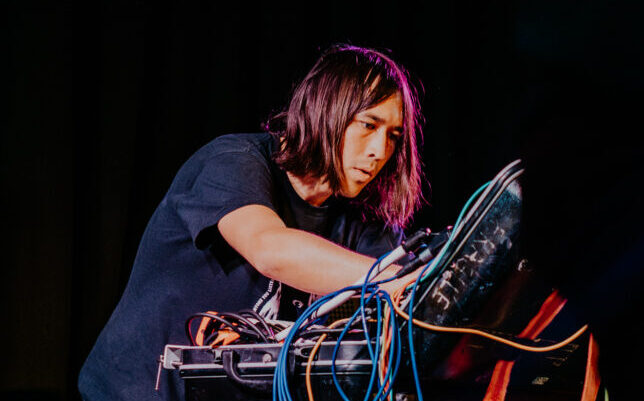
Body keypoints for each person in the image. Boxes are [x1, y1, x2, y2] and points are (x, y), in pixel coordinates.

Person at [78, 44, 424, 401]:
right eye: (369, 125)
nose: (379, 151)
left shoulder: (363, 219)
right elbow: (269, 250)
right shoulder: (232, 162)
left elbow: (406, 301)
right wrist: (392, 278)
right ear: (327, 110)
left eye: (393, 136)